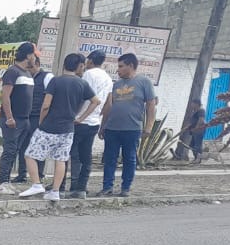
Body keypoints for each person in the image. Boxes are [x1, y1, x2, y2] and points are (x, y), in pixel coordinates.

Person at [19, 52, 101, 202]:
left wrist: (41, 122)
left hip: (49, 126)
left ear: (64, 65)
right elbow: (96, 101)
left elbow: (46, 105)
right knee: (61, 159)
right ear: (79, 66)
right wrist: (81, 118)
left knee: (29, 154)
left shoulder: (56, 81)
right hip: (68, 128)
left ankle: (37, 184)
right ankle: (55, 191)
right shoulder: (82, 83)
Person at [95, 53, 157, 199]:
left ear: (131, 66)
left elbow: (151, 105)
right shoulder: (116, 85)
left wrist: (148, 127)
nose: (118, 70)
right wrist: (103, 126)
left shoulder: (144, 82)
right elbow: (108, 106)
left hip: (132, 128)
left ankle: (125, 187)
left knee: (129, 159)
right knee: (110, 159)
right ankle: (107, 187)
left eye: (121, 66)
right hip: (112, 129)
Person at [66, 49, 113, 198]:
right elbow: (109, 103)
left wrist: (76, 114)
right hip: (94, 122)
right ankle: (82, 187)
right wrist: (101, 119)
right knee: (86, 156)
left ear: (90, 61)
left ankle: (73, 185)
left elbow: (81, 96)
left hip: (80, 120)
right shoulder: (108, 78)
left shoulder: (88, 74)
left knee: (73, 154)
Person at [0, 42, 37, 195]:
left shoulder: (27, 73)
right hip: (13, 119)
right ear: (28, 55)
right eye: (33, 54)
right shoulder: (12, 72)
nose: (34, 58)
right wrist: (9, 117)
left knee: (16, 150)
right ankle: (2, 182)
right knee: (10, 149)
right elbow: (5, 96)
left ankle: (8, 181)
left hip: (25, 119)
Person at [17, 55, 52, 184]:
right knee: (22, 146)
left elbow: (51, 97)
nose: (29, 69)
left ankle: (39, 175)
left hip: (39, 118)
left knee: (40, 147)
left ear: (37, 64)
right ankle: (22, 174)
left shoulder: (47, 77)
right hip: (25, 116)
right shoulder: (24, 76)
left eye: (31, 66)